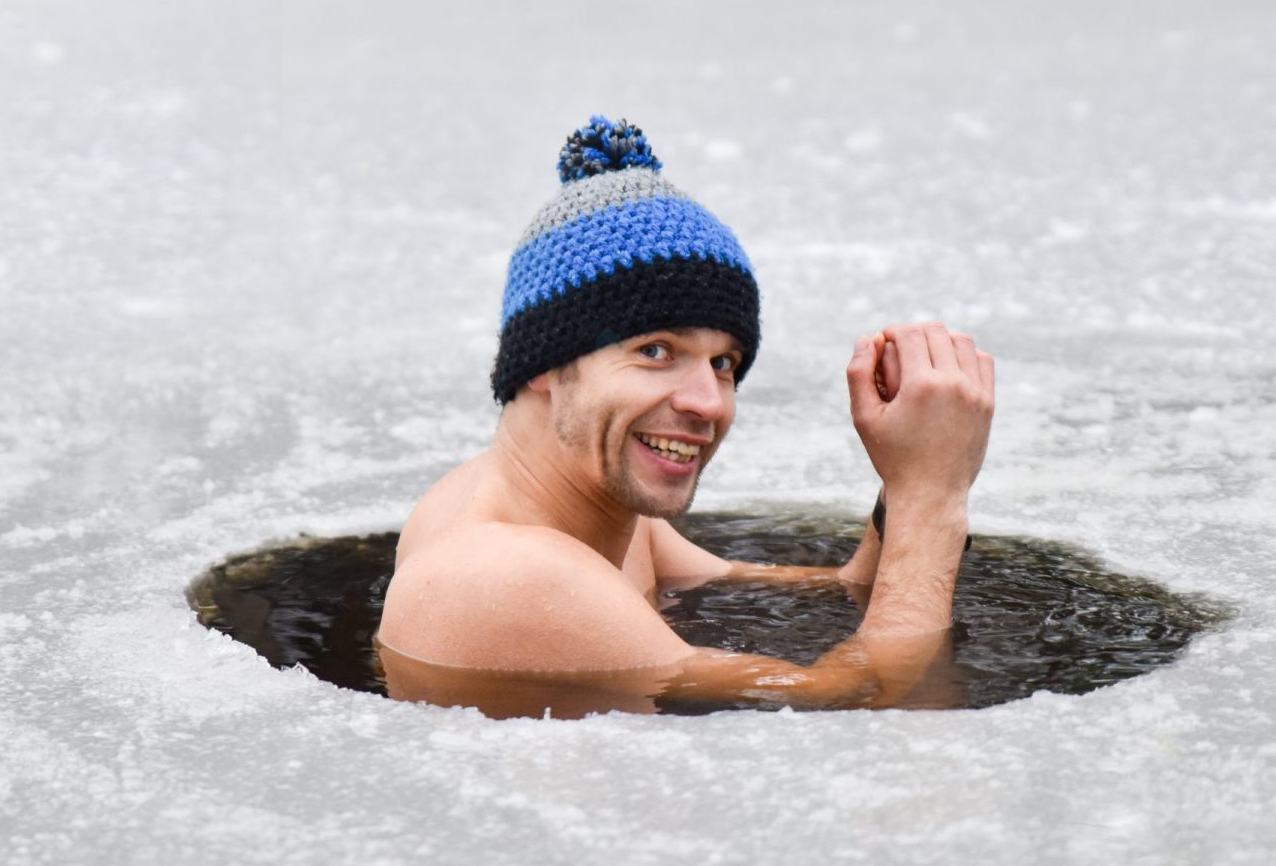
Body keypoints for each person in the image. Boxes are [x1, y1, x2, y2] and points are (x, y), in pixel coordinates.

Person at [377, 116, 994, 715]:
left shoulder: (588, 504)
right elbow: (857, 696)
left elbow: (844, 592)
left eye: (724, 362)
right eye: (655, 351)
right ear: (542, 362)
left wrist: (906, 473)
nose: (708, 402)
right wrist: (931, 495)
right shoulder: (507, 575)